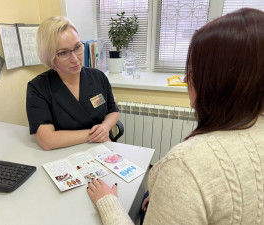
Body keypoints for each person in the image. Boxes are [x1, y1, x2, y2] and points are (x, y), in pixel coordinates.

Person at [87, 8, 264, 225]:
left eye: (192, 70)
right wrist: (171, 201)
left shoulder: (185, 165)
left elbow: (113, 111)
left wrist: (108, 203)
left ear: (212, 81)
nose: (186, 78)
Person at [26, 16, 119, 150]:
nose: (75, 59)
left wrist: (105, 127)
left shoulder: (98, 76)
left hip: (102, 148)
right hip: (63, 153)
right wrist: (93, 134)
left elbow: (113, 111)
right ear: (49, 56)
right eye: (63, 53)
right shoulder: (38, 88)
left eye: (77, 47)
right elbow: (47, 141)